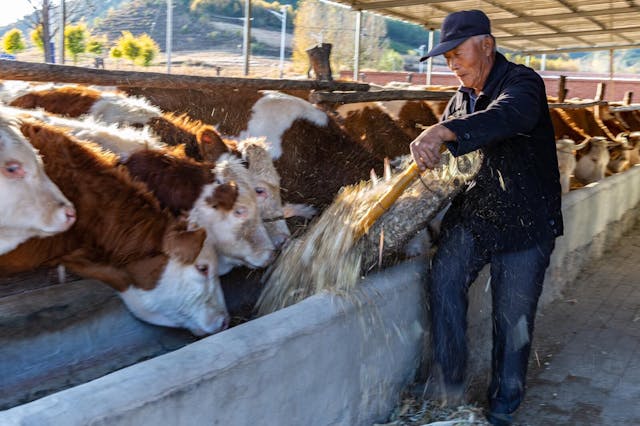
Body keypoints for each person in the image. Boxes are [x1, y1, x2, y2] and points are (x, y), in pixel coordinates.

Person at [409, 9, 563, 426]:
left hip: (526, 219)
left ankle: (503, 404)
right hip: (477, 216)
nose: (453, 64)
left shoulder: (522, 83)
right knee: (444, 277)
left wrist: (442, 131)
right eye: (447, 59)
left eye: (457, 54)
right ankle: (450, 386)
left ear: (487, 46)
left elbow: (511, 116)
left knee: (511, 317)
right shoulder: (459, 99)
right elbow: (450, 163)